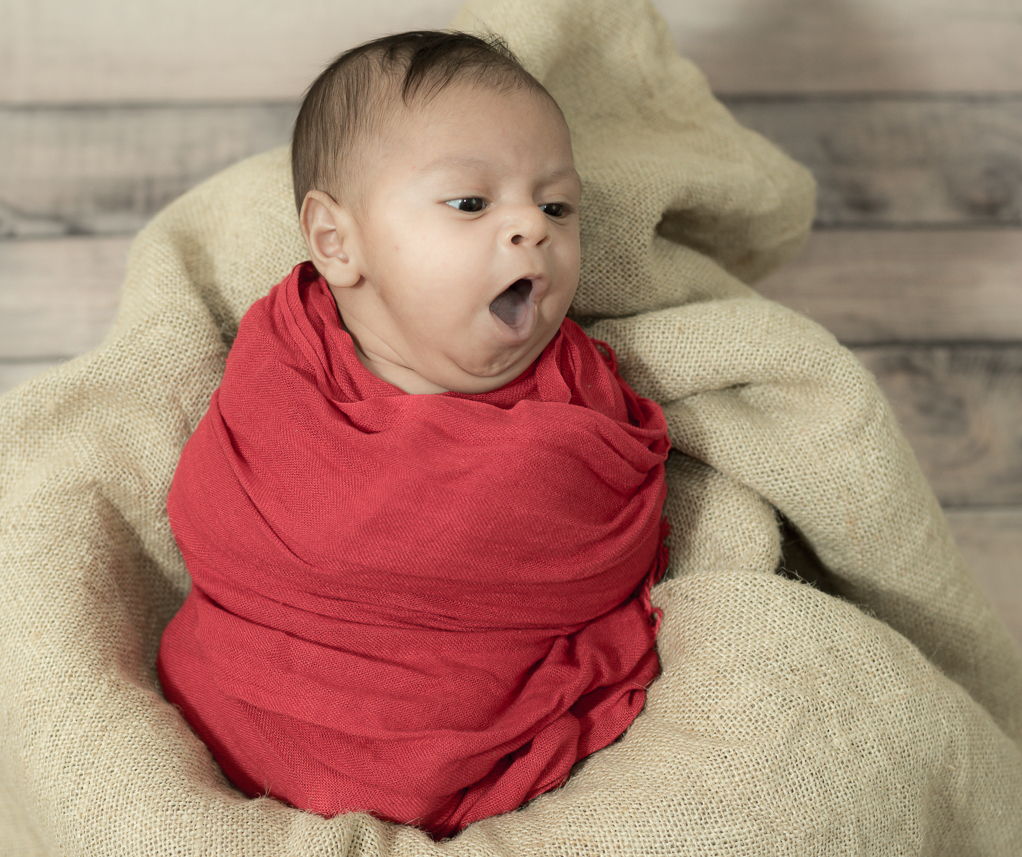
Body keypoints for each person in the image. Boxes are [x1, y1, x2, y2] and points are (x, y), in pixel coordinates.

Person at [156, 31, 671, 839]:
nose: (531, 229)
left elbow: (615, 547)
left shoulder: (581, 402)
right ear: (336, 242)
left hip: (480, 748)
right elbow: (213, 512)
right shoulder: (285, 365)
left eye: (556, 205)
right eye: (471, 203)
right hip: (252, 709)